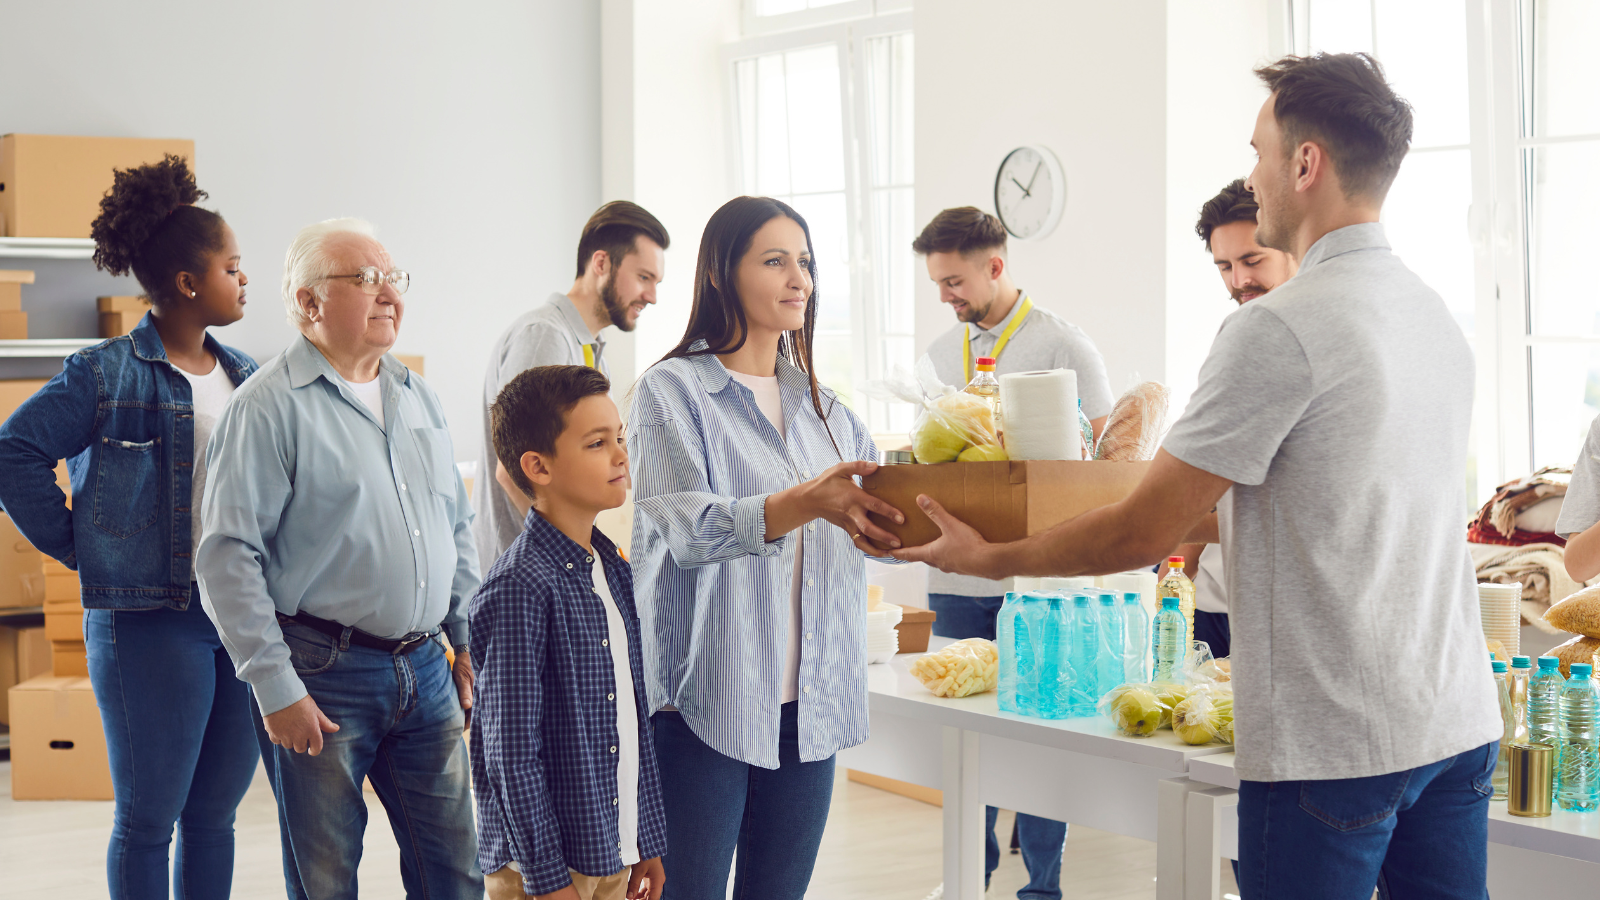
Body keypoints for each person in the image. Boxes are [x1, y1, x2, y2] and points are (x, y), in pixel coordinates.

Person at [895, 53, 1501, 899]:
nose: (1252, 179)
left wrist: (988, 559)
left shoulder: (1277, 330)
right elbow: (1302, 504)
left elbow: (1146, 528)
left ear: (1305, 163)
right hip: (1456, 722)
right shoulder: (1433, 314)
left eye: (1259, 154)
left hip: (1332, 743)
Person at [627, 195, 905, 900]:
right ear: (722, 272)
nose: (799, 279)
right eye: (775, 260)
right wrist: (806, 501)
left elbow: (883, 525)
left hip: (808, 708)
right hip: (703, 705)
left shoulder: (825, 408)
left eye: (805, 262)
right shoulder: (671, 391)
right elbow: (691, 529)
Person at [196, 219, 482, 899]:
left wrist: (465, 638)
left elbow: (455, 524)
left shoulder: (417, 395)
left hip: (426, 669)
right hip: (322, 674)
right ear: (307, 303)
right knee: (326, 882)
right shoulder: (266, 408)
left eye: (393, 278)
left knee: (456, 875)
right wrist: (275, 686)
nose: (388, 294)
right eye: (364, 279)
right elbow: (227, 557)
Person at [0, 156, 258, 900]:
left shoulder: (246, 375)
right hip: (148, 620)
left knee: (216, 817)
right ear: (187, 282)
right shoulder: (104, 373)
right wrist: (85, 546)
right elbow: (14, 452)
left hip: (239, 620)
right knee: (149, 820)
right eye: (232, 268)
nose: (243, 282)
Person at [911, 205, 1113, 899]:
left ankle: (1043, 888)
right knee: (967, 737)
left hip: (1040, 582)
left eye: (955, 281)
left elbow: (1104, 462)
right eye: (938, 283)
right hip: (956, 582)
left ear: (997, 266)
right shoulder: (941, 355)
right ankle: (971, 878)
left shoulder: (1065, 347)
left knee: (1038, 735)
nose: (946, 296)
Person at [470, 365, 666, 900]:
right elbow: (509, 752)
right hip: (546, 870)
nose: (622, 456)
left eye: (620, 438)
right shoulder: (519, 587)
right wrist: (547, 878)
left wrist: (644, 839)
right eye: (598, 443)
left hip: (610, 847)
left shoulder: (614, 567)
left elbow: (631, 719)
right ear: (537, 466)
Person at [473, 201, 670, 567]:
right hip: (527, 581)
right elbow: (512, 468)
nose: (652, 296)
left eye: (656, 282)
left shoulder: (591, 352)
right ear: (601, 264)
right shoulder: (544, 337)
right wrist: (572, 558)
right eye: (644, 277)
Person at [1164, 179, 1298, 660]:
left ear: (1290, 248)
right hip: (1214, 600)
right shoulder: (1237, 331)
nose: (1238, 279)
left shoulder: (1306, 330)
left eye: (1252, 260)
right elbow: (1206, 472)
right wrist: (1177, 568)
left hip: (1279, 609)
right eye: (1225, 265)